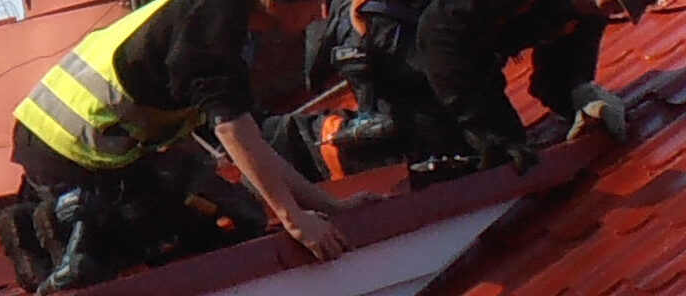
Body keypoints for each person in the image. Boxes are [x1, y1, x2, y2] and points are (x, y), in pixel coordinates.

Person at [0, 0, 380, 296]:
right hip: (70, 152)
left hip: (83, 143)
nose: (319, 14)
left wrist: (327, 207)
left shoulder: (221, 19)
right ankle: (68, 224)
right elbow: (233, 131)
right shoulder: (214, 25)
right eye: (313, 3)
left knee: (234, 212)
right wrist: (294, 219)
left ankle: (79, 221)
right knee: (165, 237)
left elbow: (252, 144)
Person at [265, 0, 656, 182]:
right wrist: (493, 132)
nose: (611, 9)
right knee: (439, 156)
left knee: (478, 152)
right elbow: (441, 38)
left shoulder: (590, 9)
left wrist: (579, 97)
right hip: (384, 25)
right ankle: (292, 144)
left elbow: (556, 73)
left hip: (438, 33)